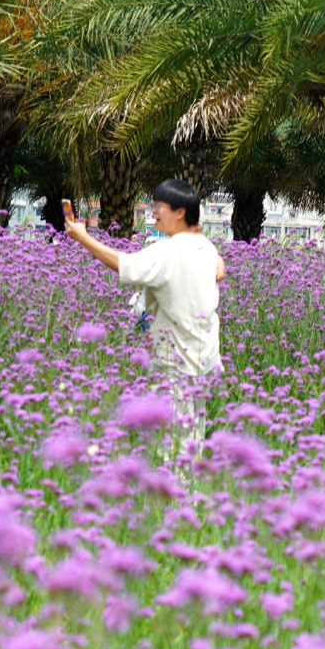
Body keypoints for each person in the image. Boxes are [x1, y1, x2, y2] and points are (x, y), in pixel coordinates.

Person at [62, 180, 227, 456]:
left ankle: (179, 482)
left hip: (177, 361)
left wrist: (83, 238)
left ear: (180, 213)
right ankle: (192, 480)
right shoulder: (206, 247)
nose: (153, 212)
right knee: (192, 436)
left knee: (173, 445)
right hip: (205, 359)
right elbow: (217, 262)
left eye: (159, 206)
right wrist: (220, 263)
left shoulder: (166, 251)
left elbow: (123, 264)